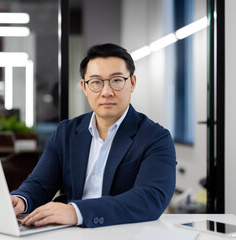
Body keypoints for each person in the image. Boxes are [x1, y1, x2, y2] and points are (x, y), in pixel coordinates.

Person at [10, 43, 176, 228]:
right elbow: (41, 183)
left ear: (132, 83)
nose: (106, 92)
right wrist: (20, 199)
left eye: (117, 80)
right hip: (72, 233)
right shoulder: (66, 132)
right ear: (84, 87)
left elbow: (150, 198)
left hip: (124, 233)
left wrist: (77, 211)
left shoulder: (155, 137)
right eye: (96, 82)